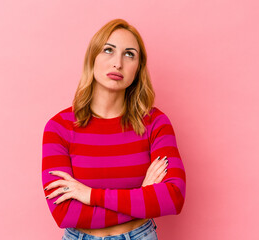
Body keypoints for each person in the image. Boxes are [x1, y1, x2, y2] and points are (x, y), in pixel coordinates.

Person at [42, 18, 186, 240]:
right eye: (108, 50)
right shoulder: (58, 127)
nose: (117, 63)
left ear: (138, 68)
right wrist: (140, 198)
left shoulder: (155, 123)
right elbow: (64, 213)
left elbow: (173, 197)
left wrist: (90, 195)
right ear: (93, 58)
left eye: (129, 54)